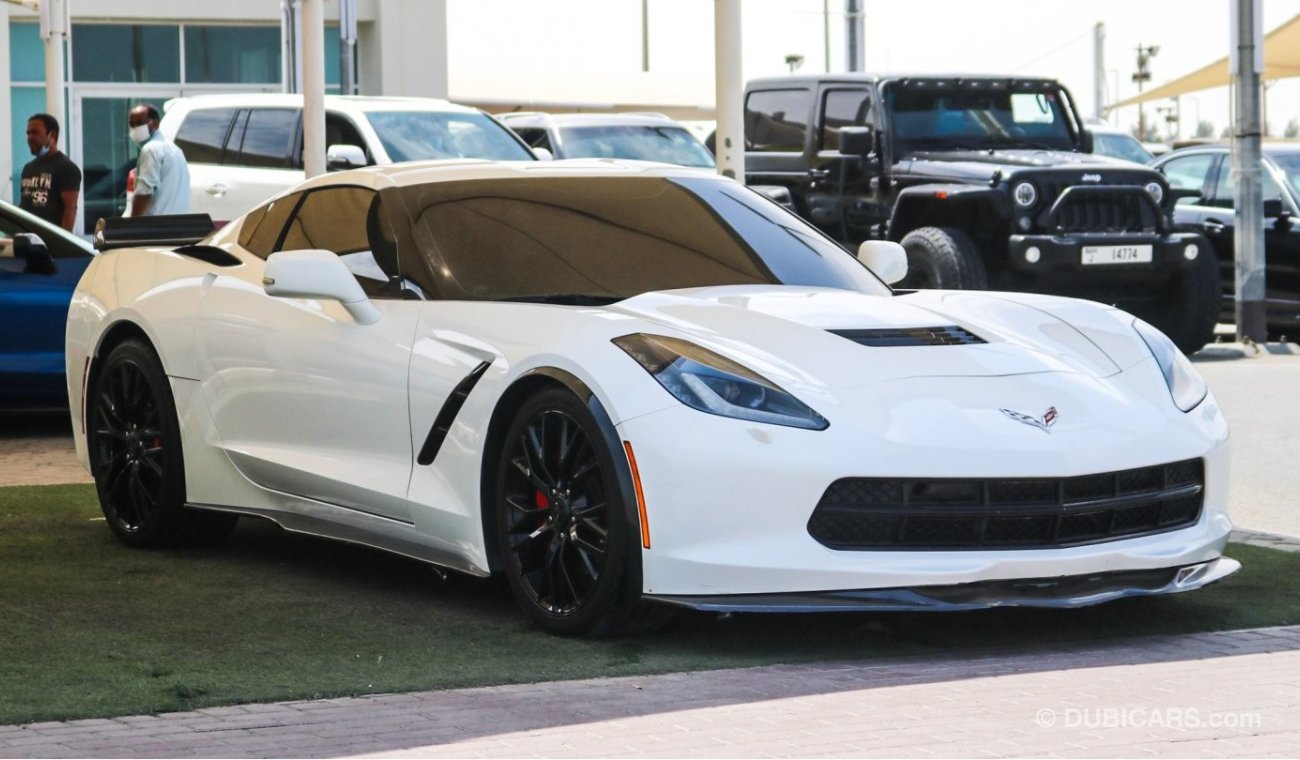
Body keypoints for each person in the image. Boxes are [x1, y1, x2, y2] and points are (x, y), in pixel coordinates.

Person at [19, 113, 81, 232]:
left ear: (51, 135)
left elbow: (70, 209)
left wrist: (61, 244)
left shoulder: (66, 168)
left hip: (49, 242)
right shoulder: (28, 168)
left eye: (35, 132)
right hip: (27, 238)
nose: (30, 137)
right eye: (28, 133)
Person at [128, 104, 190, 216]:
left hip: (158, 226)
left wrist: (132, 224)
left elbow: (144, 193)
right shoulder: (175, 149)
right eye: (132, 124)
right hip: (180, 224)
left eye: (140, 123)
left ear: (155, 123)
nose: (135, 128)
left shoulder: (151, 149)